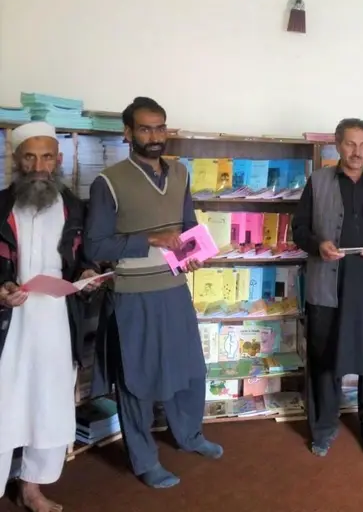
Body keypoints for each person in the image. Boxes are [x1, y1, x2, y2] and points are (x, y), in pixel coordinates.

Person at [85, 97, 221, 489]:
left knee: (189, 370)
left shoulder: (180, 173)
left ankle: (189, 435)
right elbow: (95, 246)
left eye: (160, 127)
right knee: (138, 380)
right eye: (145, 128)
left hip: (175, 289)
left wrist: (194, 255)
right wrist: (150, 239)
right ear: (128, 133)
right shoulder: (109, 182)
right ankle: (145, 461)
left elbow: (187, 225)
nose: (155, 136)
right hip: (133, 296)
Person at [0, 122, 102, 512]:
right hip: (9, 324)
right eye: (30, 156)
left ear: (59, 160)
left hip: (58, 321)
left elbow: (84, 260)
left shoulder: (75, 207)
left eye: (47, 157)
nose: (39, 166)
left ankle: (32, 489)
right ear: (16, 159)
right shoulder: (0, 206)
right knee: (4, 404)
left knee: (49, 404)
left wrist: (88, 275)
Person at [292, 118, 363, 458]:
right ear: (338, 144)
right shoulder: (318, 181)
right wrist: (319, 245)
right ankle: (324, 428)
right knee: (325, 359)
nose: (357, 152)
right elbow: (299, 229)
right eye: (350, 144)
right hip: (329, 285)